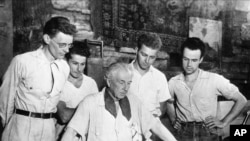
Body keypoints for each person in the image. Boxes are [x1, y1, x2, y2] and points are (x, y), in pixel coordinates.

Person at [0, 16, 76, 141]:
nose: (67, 50)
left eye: (69, 45)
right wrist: (11, 127)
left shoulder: (64, 68)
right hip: (21, 128)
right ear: (47, 39)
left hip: (48, 129)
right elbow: (5, 101)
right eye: (62, 45)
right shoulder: (22, 61)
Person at [61, 62, 177, 141]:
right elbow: (71, 132)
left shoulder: (134, 102)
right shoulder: (91, 102)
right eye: (121, 82)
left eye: (129, 83)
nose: (126, 88)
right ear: (108, 81)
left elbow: (155, 125)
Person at [166, 37, 247, 141]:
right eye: (186, 59)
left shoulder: (214, 80)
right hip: (183, 133)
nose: (189, 64)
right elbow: (168, 101)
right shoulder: (173, 82)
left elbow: (241, 100)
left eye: (194, 60)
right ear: (181, 57)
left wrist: (224, 122)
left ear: (201, 59)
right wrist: (173, 118)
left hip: (208, 133)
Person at [55, 41, 99, 140]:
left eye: (82, 64)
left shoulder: (90, 83)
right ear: (66, 60)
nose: (79, 69)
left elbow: (98, 114)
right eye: (75, 63)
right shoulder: (60, 82)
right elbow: (64, 116)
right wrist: (88, 111)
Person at [129, 33, 171, 118]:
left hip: (151, 127)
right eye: (144, 55)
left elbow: (162, 109)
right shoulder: (123, 72)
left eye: (152, 57)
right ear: (136, 50)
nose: (147, 60)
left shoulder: (160, 77)